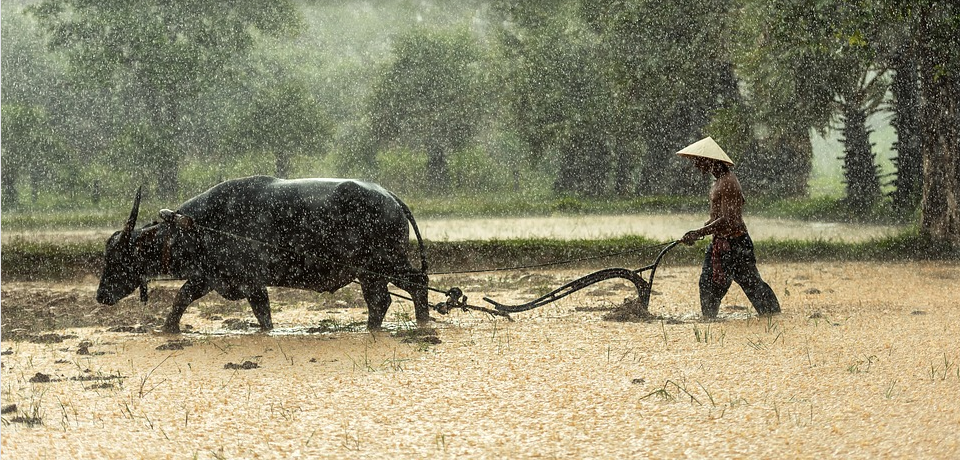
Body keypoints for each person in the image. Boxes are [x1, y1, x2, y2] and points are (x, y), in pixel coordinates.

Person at [677, 137, 781, 318]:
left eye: (698, 161)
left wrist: (699, 232)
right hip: (723, 243)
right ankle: (709, 320)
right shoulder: (718, 182)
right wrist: (700, 231)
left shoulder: (728, 183)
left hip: (735, 244)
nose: (695, 166)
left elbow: (728, 220)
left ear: (709, 160)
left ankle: (772, 316)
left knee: (751, 284)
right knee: (711, 284)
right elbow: (717, 218)